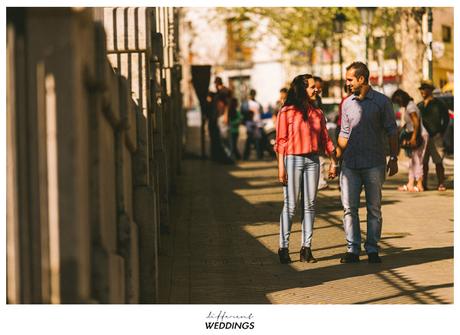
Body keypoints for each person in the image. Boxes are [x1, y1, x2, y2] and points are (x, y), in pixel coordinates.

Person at [336, 62, 399, 264]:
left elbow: (392, 131)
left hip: (374, 163)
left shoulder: (382, 102)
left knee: (374, 209)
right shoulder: (347, 104)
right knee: (349, 209)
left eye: (350, 80)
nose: (347, 83)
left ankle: (372, 249)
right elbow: (344, 134)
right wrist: (334, 160)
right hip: (350, 165)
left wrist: (394, 157)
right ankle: (352, 250)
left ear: (361, 79)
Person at [274, 74, 338, 264]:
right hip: (292, 160)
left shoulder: (317, 113)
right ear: (302, 89)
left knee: (309, 205)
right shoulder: (286, 112)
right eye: (312, 87)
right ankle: (283, 248)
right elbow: (281, 141)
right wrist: (281, 167)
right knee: (291, 205)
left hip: (313, 161)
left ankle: (306, 248)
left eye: (315, 87)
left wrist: (334, 161)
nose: (316, 89)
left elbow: (325, 140)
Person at [392, 89, 428, 192]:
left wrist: (413, 138)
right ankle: (410, 183)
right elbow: (411, 123)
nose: (398, 104)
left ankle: (420, 184)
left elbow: (416, 123)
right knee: (412, 161)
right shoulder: (409, 106)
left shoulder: (411, 107)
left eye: (398, 102)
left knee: (418, 160)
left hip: (419, 136)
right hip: (415, 134)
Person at [417, 81, 450, 191]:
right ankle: (424, 184)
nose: (422, 91)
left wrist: (441, 131)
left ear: (430, 90)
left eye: (424, 88)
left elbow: (446, 119)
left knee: (438, 161)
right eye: (421, 89)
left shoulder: (439, 104)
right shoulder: (419, 105)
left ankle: (441, 183)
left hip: (436, 137)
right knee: (424, 162)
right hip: (423, 138)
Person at [209, 77, 233, 164]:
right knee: (224, 138)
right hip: (221, 116)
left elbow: (227, 104)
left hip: (223, 117)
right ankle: (227, 157)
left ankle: (229, 157)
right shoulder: (221, 92)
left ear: (216, 84)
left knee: (225, 138)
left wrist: (225, 115)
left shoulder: (223, 92)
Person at [243, 89, 264, 160]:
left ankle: (257, 155)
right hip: (252, 123)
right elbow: (244, 113)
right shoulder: (248, 104)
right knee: (251, 140)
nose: (252, 95)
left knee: (255, 140)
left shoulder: (249, 103)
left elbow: (261, 112)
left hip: (255, 123)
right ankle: (256, 155)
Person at [228, 95, 242, 160]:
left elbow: (240, 118)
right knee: (233, 145)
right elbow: (240, 118)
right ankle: (237, 157)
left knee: (233, 145)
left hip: (233, 130)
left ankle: (235, 157)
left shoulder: (232, 111)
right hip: (234, 130)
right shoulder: (233, 111)